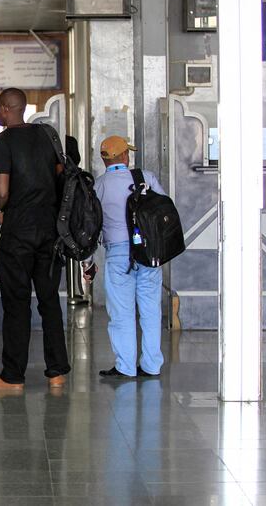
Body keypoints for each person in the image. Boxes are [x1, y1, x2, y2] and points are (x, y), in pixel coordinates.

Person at [0, 88, 70, 391]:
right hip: (50, 231)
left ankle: (13, 377)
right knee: (49, 302)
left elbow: (3, 191)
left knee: (17, 305)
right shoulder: (48, 134)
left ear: (7, 109)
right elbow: (60, 176)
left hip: (18, 232)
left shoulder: (3, 141)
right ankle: (57, 372)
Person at [93, 135, 165, 378]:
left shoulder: (99, 185)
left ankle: (125, 366)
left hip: (118, 254)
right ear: (124, 156)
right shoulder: (146, 178)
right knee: (150, 308)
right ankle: (152, 365)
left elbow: (92, 223)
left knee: (121, 312)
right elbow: (165, 208)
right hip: (149, 251)